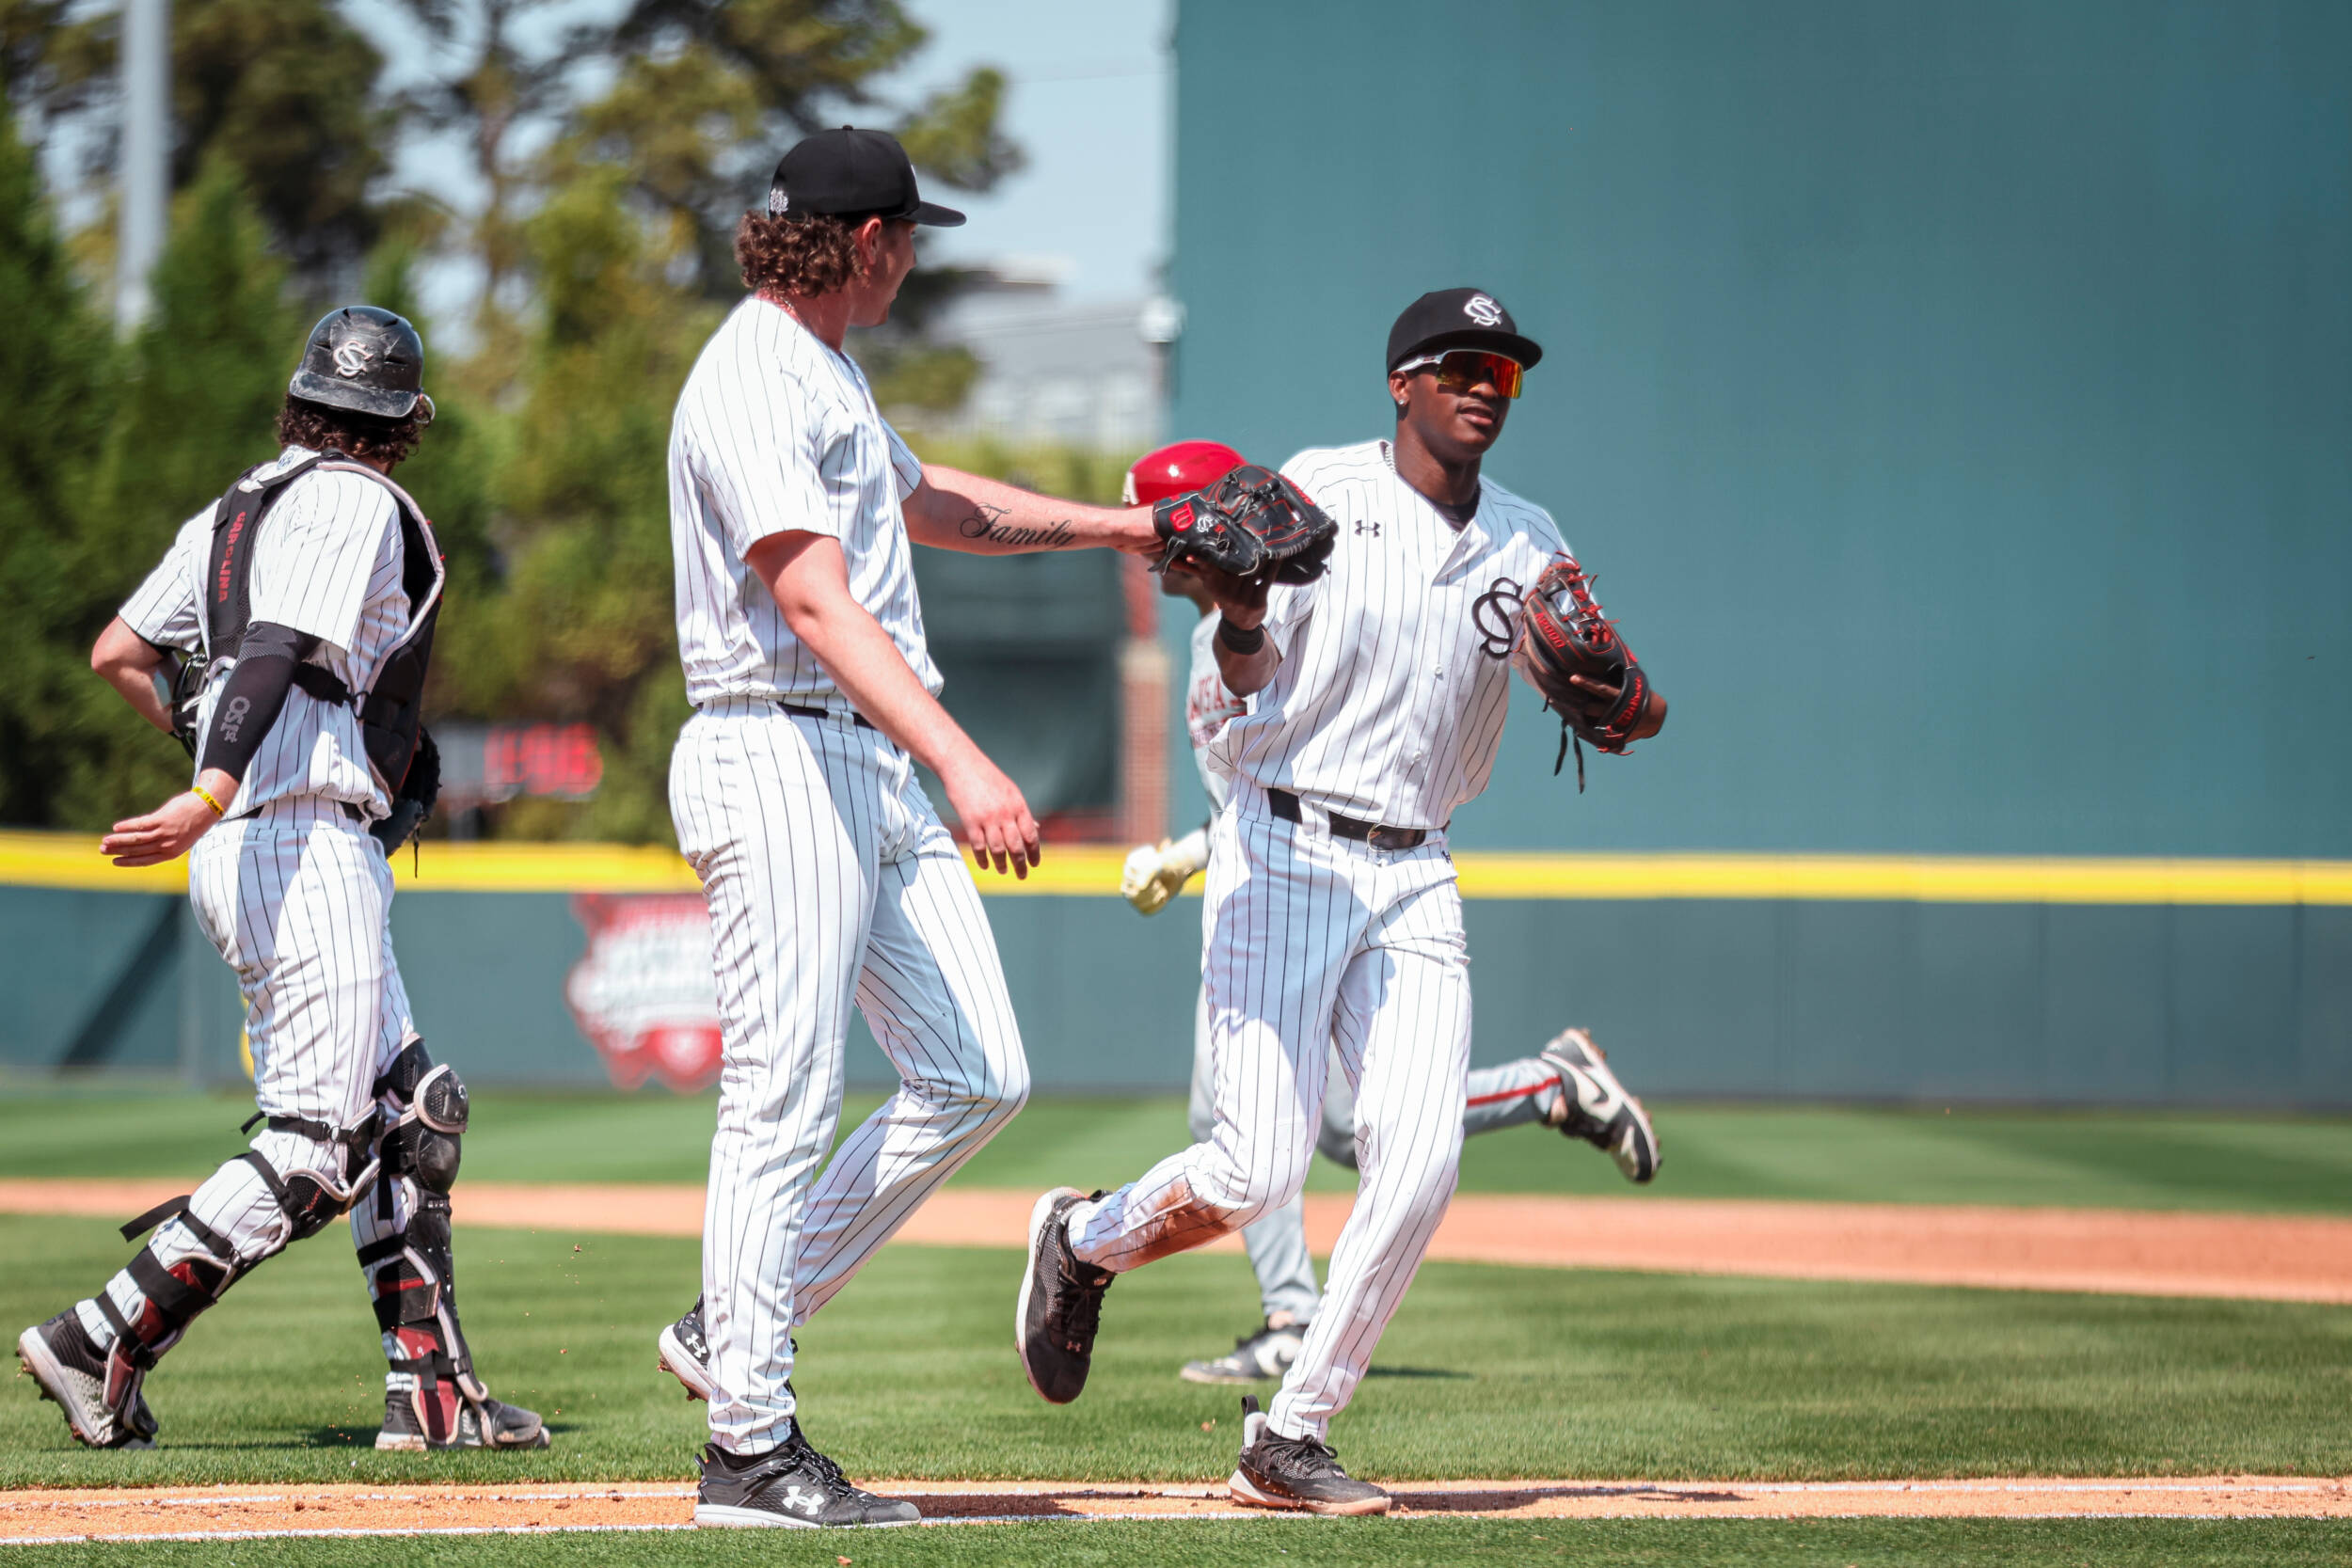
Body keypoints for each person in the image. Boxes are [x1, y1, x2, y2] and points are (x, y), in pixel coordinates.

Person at [1017, 289, 1667, 1514]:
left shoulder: (1530, 540)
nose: (1487, 383)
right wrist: (1244, 613)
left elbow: (1610, 689)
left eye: (1507, 372)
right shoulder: (1314, 494)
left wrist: (1631, 704)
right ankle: (1082, 1236)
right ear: (1403, 383)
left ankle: (1290, 1433)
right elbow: (1238, 677)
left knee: (1416, 1162)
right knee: (1257, 1164)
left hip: (1417, 865)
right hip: (1285, 848)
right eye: (1463, 364)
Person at [654, 127, 1159, 1529]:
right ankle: (749, 1445)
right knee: (780, 1096)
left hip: (858, 760)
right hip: (779, 740)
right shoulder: (752, 372)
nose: (915, 257)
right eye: (910, 235)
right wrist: (964, 757)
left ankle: (731, 1324)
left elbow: (934, 504)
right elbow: (810, 598)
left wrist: (1124, 533)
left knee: (979, 1070)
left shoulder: (830, 372)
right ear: (865, 239)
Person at [14, 307, 545, 1453]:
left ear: (300, 397)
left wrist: (213, 765)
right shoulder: (357, 498)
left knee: (409, 1112)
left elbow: (121, 650)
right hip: (294, 842)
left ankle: (433, 1391)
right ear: (404, 421)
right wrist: (219, 785)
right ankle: (96, 1334)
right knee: (316, 1146)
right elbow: (270, 651)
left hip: (266, 832)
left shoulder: (231, 510)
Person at [1118, 443, 1660, 1389]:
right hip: (1268, 869)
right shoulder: (1222, 629)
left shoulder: (1257, 622)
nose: (1143, 547)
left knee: (1302, 1132)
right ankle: (1293, 1306)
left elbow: (1305, 766)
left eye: (1154, 527)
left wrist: (1193, 851)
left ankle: (1294, 1309)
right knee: (1287, 1132)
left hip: (1325, 877)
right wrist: (1189, 850)